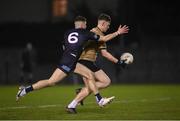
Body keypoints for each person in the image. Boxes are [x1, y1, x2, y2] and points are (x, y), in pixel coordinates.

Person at [16, 16, 124, 112]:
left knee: (51, 81)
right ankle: (99, 100)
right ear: (82, 25)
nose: (86, 26)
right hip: (73, 62)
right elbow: (104, 38)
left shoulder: (67, 33)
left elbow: (64, 47)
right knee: (89, 75)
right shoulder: (86, 33)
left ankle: (25, 90)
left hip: (66, 60)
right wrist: (117, 33)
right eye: (85, 24)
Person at [67, 13, 129, 112]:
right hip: (84, 62)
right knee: (105, 82)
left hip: (89, 63)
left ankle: (72, 104)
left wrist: (119, 62)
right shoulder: (95, 32)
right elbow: (104, 53)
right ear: (103, 23)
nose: (108, 28)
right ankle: (74, 103)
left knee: (104, 82)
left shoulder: (98, 34)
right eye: (108, 25)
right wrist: (117, 33)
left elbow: (104, 53)